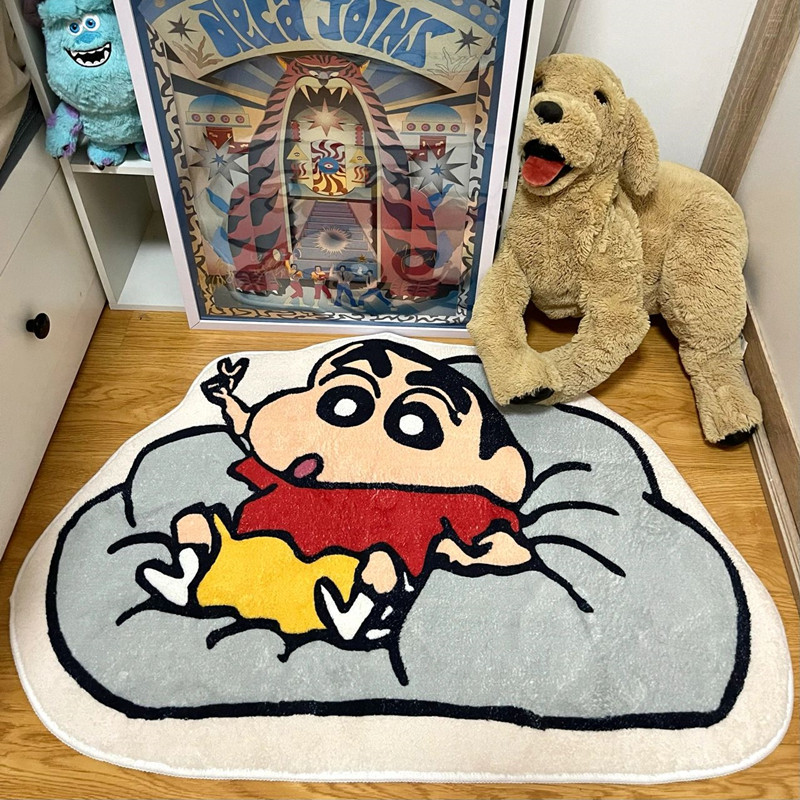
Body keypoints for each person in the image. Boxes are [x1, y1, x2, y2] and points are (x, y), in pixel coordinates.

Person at [143, 340, 534, 654]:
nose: (365, 436)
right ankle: (190, 575)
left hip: (340, 584)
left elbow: (493, 543)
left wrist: (474, 554)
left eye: (416, 423)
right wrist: (228, 400)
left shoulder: (439, 500)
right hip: (247, 563)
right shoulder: (300, 477)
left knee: (382, 562)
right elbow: (257, 431)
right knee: (193, 522)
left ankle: (360, 614)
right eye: (345, 401)